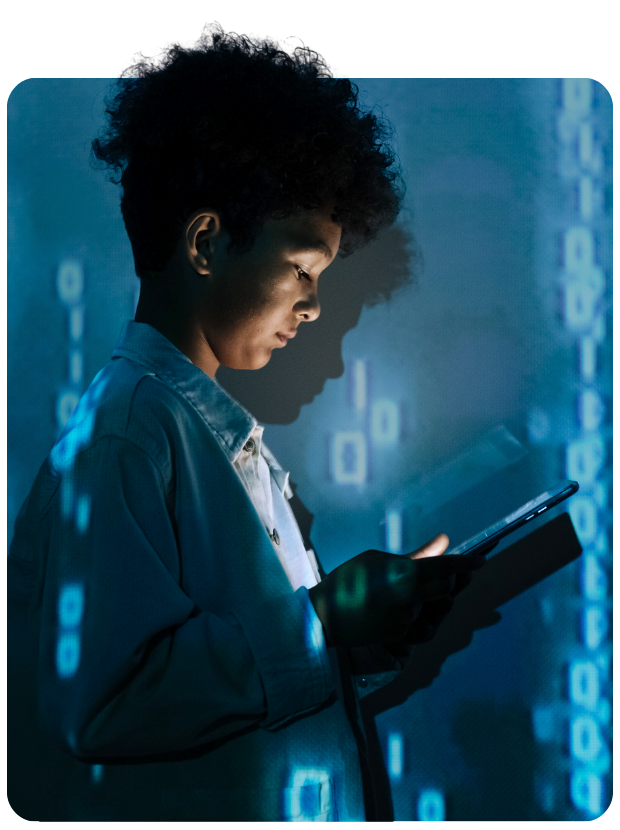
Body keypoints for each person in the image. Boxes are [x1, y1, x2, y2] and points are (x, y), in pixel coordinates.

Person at [6, 35, 489, 822]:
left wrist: (367, 627)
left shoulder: (225, 449)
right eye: (304, 268)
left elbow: (260, 676)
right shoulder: (127, 438)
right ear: (205, 242)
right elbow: (105, 701)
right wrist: (327, 617)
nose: (316, 306)